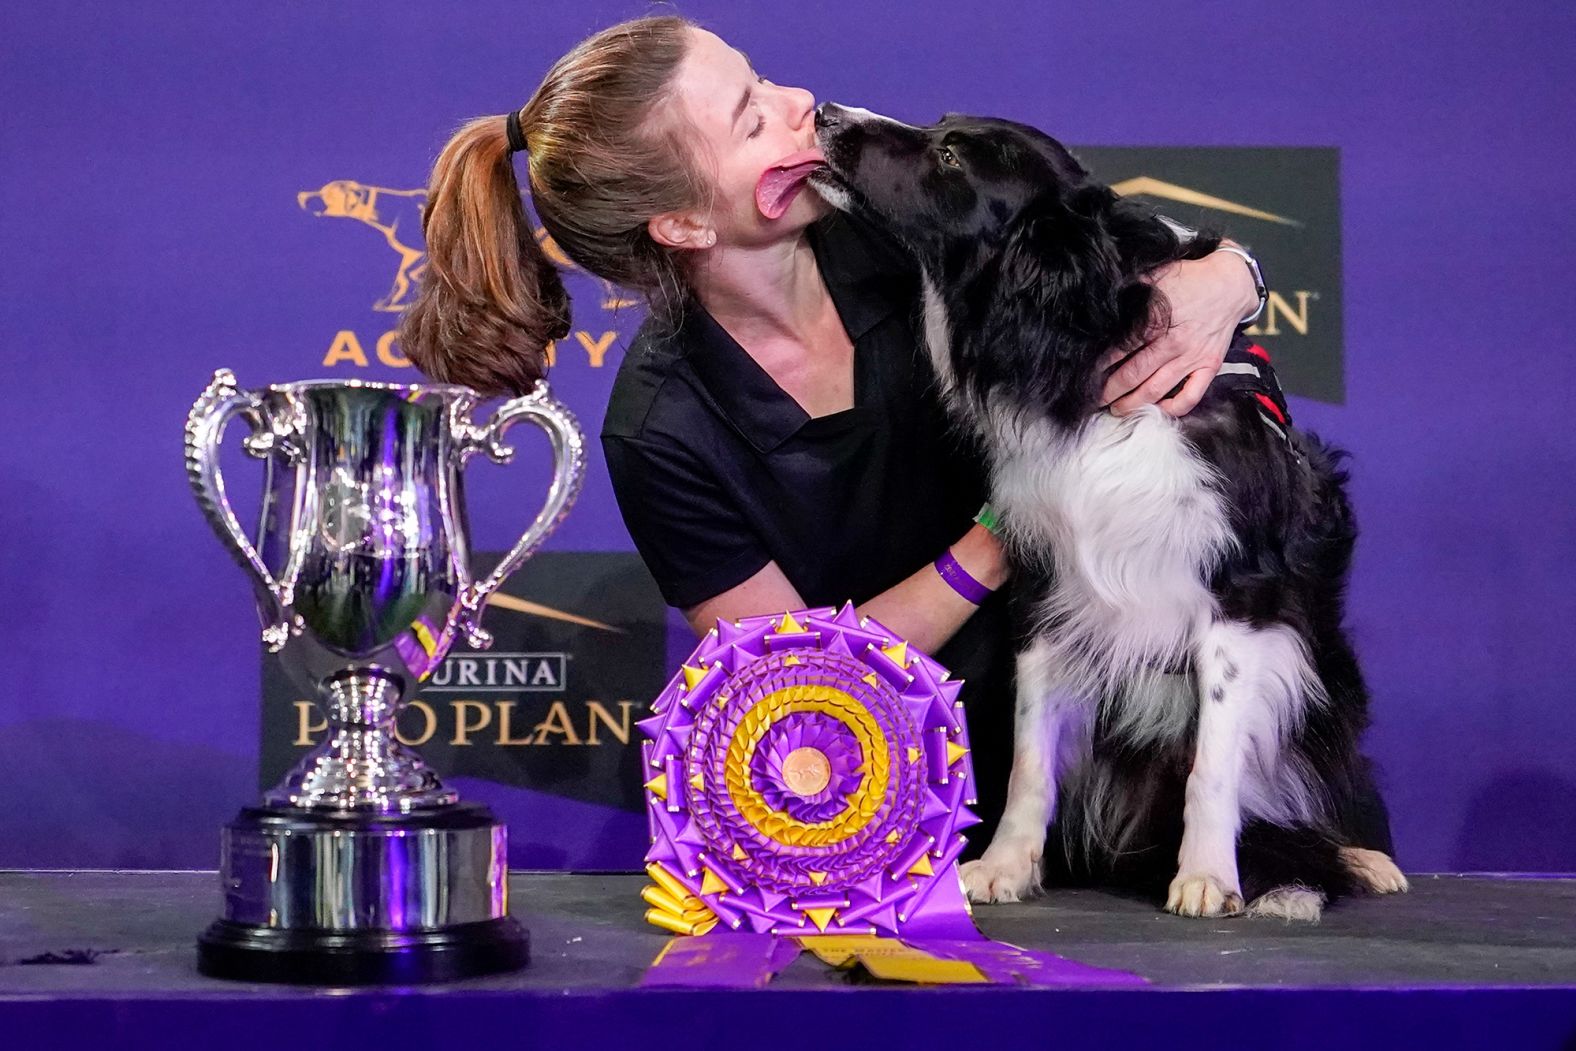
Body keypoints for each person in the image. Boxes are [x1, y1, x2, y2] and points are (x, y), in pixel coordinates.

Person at [398, 14, 1393, 860]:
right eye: (750, 116)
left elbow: (1112, 244)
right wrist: (1009, 530)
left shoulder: (906, 221)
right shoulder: (662, 428)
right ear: (684, 225)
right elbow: (794, 679)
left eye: (762, 78)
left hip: (1157, 762)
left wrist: (1228, 278)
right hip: (945, 822)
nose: (798, 101)